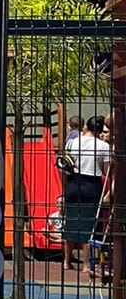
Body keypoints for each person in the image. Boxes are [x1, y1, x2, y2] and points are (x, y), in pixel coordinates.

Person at [61, 115, 111, 272]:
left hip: (72, 182)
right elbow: (106, 169)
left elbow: (64, 165)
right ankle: (86, 264)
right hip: (92, 184)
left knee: (70, 222)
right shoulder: (102, 146)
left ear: (86, 127)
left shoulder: (72, 142)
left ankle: (67, 261)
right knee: (89, 224)